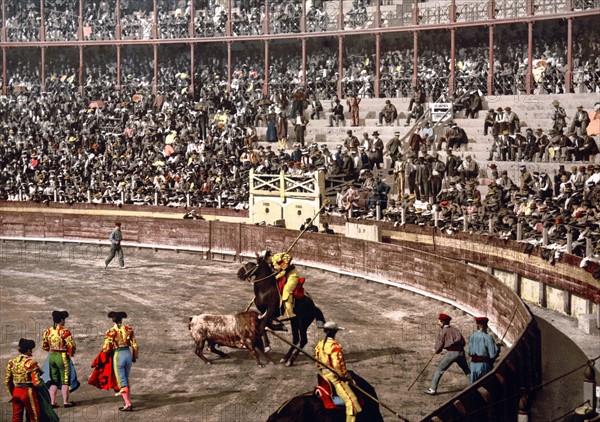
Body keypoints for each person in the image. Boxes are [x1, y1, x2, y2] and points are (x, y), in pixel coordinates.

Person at [314, 321, 362, 422]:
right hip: (334, 378)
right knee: (352, 402)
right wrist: (345, 376)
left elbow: (317, 362)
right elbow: (337, 365)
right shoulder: (335, 346)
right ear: (334, 332)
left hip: (323, 375)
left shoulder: (320, 344)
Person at [5, 338, 59, 422]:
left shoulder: (12, 362)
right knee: (34, 416)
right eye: (31, 350)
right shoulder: (31, 363)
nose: (32, 352)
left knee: (16, 417)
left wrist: (13, 393)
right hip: (28, 393)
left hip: (16, 392)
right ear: (28, 350)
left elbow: (7, 381)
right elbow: (37, 383)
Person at [100, 311, 139, 411]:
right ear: (121, 319)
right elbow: (135, 345)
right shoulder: (128, 329)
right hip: (127, 353)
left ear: (113, 320)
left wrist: (105, 354)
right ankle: (127, 400)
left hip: (119, 355)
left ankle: (127, 403)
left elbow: (106, 348)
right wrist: (134, 356)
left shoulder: (111, 332)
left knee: (122, 380)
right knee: (125, 377)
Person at [425, 313, 470, 396]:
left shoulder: (443, 332)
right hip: (461, 352)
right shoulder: (455, 329)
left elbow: (439, 346)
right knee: (466, 369)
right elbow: (463, 342)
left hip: (451, 353)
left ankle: (432, 389)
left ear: (442, 322)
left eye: (439, 321)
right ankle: (475, 384)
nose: (438, 322)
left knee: (439, 370)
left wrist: (436, 350)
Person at [42, 310, 77, 408]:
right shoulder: (64, 331)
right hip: (62, 357)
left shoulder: (48, 331)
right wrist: (70, 353)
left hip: (52, 356)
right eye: (64, 319)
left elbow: (44, 345)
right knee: (65, 380)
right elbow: (71, 345)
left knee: (54, 380)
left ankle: (52, 402)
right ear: (61, 320)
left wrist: (51, 349)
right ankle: (66, 402)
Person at [467, 317, 500, 383]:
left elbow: (470, 353)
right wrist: (498, 349)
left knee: (474, 386)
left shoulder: (472, 336)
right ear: (484, 326)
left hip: (473, 365)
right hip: (483, 365)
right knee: (485, 384)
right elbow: (492, 355)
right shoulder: (488, 337)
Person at [272, 252, 300, 320]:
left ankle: (289, 312)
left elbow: (284, 270)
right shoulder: (274, 260)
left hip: (293, 276)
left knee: (287, 289)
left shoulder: (282, 259)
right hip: (286, 277)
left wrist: (275, 277)